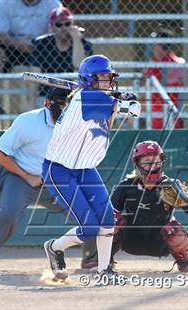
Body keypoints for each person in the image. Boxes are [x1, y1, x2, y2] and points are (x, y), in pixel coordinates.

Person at [41, 55, 141, 281]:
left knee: (107, 221)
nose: (107, 81)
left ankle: (104, 271)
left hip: (84, 167)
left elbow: (112, 119)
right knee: (89, 228)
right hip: (59, 170)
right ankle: (55, 247)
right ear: (89, 79)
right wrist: (127, 100)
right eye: (102, 77)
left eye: (109, 77)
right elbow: (133, 109)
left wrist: (118, 101)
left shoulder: (92, 97)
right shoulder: (85, 97)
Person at [0, 87, 70, 272]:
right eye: (60, 105)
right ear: (47, 103)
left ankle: (95, 258)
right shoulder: (28, 121)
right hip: (20, 177)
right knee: (8, 213)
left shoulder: (76, 123)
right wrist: (28, 177)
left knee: (88, 210)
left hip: (55, 181)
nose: (63, 109)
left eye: (67, 105)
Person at [81, 140, 188, 272]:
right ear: (137, 164)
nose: (153, 166)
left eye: (157, 162)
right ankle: (102, 259)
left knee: (173, 228)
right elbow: (107, 216)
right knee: (111, 219)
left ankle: (185, 261)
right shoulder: (126, 187)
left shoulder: (170, 186)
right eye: (147, 162)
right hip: (130, 239)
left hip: (159, 242)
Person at [29, 6, 93, 108]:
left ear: (73, 25)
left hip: (74, 94)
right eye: (59, 24)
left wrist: (76, 38)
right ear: (51, 27)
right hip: (47, 94)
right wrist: (32, 102)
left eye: (67, 24)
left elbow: (79, 65)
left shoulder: (83, 44)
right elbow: (34, 76)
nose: (64, 28)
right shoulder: (41, 44)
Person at [0, 0, 61, 73]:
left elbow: (59, 28)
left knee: (59, 46)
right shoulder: (4, 3)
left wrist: (42, 40)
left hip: (43, 46)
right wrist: (17, 44)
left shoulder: (53, 3)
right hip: (12, 45)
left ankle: (56, 81)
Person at [142, 29, 185, 129]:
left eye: (156, 44)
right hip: (158, 117)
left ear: (164, 46)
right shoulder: (178, 63)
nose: (152, 48)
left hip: (165, 118)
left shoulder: (175, 64)